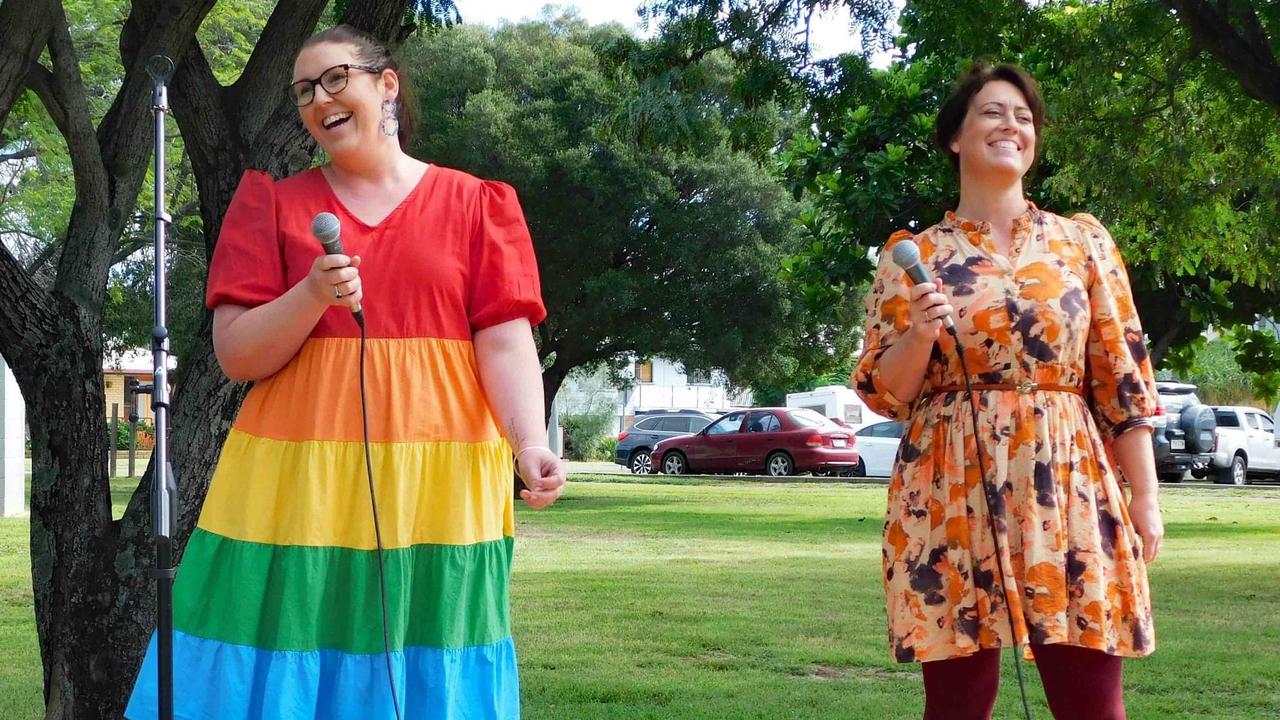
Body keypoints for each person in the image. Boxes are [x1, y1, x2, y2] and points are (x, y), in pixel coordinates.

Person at [126, 24, 565, 720]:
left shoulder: (480, 205)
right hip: (298, 482)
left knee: (432, 645)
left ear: (385, 84)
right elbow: (237, 352)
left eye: (335, 79)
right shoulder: (271, 203)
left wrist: (530, 442)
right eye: (304, 91)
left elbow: (507, 344)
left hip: (440, 483)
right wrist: (310, 296)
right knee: (291, 638)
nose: (317, 99)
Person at [854, 63, 1164, 720]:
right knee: (958, 706)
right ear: (955, 139)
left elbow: (1123, 379)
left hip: (1068, 483)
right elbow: (886, 392)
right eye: (993, 112)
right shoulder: (913, 255)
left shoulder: (1080, 242)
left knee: (1092, 701)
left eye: (1024, 117)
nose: (1012, 126)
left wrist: (1146, 499)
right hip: (949, 488)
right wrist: (921, 335)